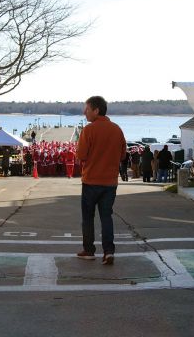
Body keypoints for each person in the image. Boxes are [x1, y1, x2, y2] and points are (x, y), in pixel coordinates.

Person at [76, 96, 126, 265]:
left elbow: (81, 155)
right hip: (110, 182)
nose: (85, 112)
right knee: (106, 217)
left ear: (96, 110)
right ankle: (109, 251)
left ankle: (89, 250)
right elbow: (123, 155)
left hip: (91, 180)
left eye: (87, 109)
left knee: (88, 217)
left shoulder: (88, 130)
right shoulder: (117, 130)